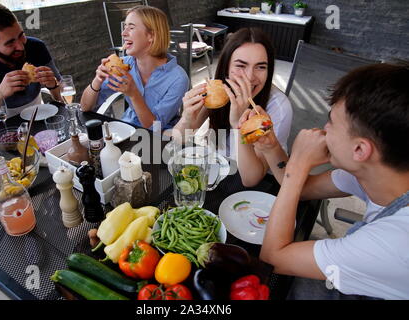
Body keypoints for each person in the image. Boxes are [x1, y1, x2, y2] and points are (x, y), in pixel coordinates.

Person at [241, 63, 409, 299]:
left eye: (331, 121)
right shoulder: (371, 172)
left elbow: (273, 258)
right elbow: (304, 189)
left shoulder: (395, 243)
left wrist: (299, 164)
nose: (323, 128)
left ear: (360, 149)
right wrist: (272, 148)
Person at [173, 27, 292, 186]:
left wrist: (239, 125)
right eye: (241, 65)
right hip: (217, 175)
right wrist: (186, 119)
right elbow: (178, 139)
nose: (250, 77)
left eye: (261, 67)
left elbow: (251, 179)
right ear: (226, 68)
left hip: (259, 188)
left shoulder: (279, 108)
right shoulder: (218, 92)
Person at [80, 5, 189, 130]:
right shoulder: (124, 65)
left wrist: (134, 94)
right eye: (124, 27)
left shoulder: (178, 79)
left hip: (157, 140)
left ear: (151, 36)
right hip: (126, 128)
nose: (123, 33)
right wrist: (97, 80)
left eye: (131, 27)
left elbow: (155, 127)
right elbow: (85, 107)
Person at [0, 2, 62, 125]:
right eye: (10, 43)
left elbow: (61, 94)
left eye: (21, 35)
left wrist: (53, 85)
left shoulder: (36, 47)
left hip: (37, 118)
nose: (21, 46)